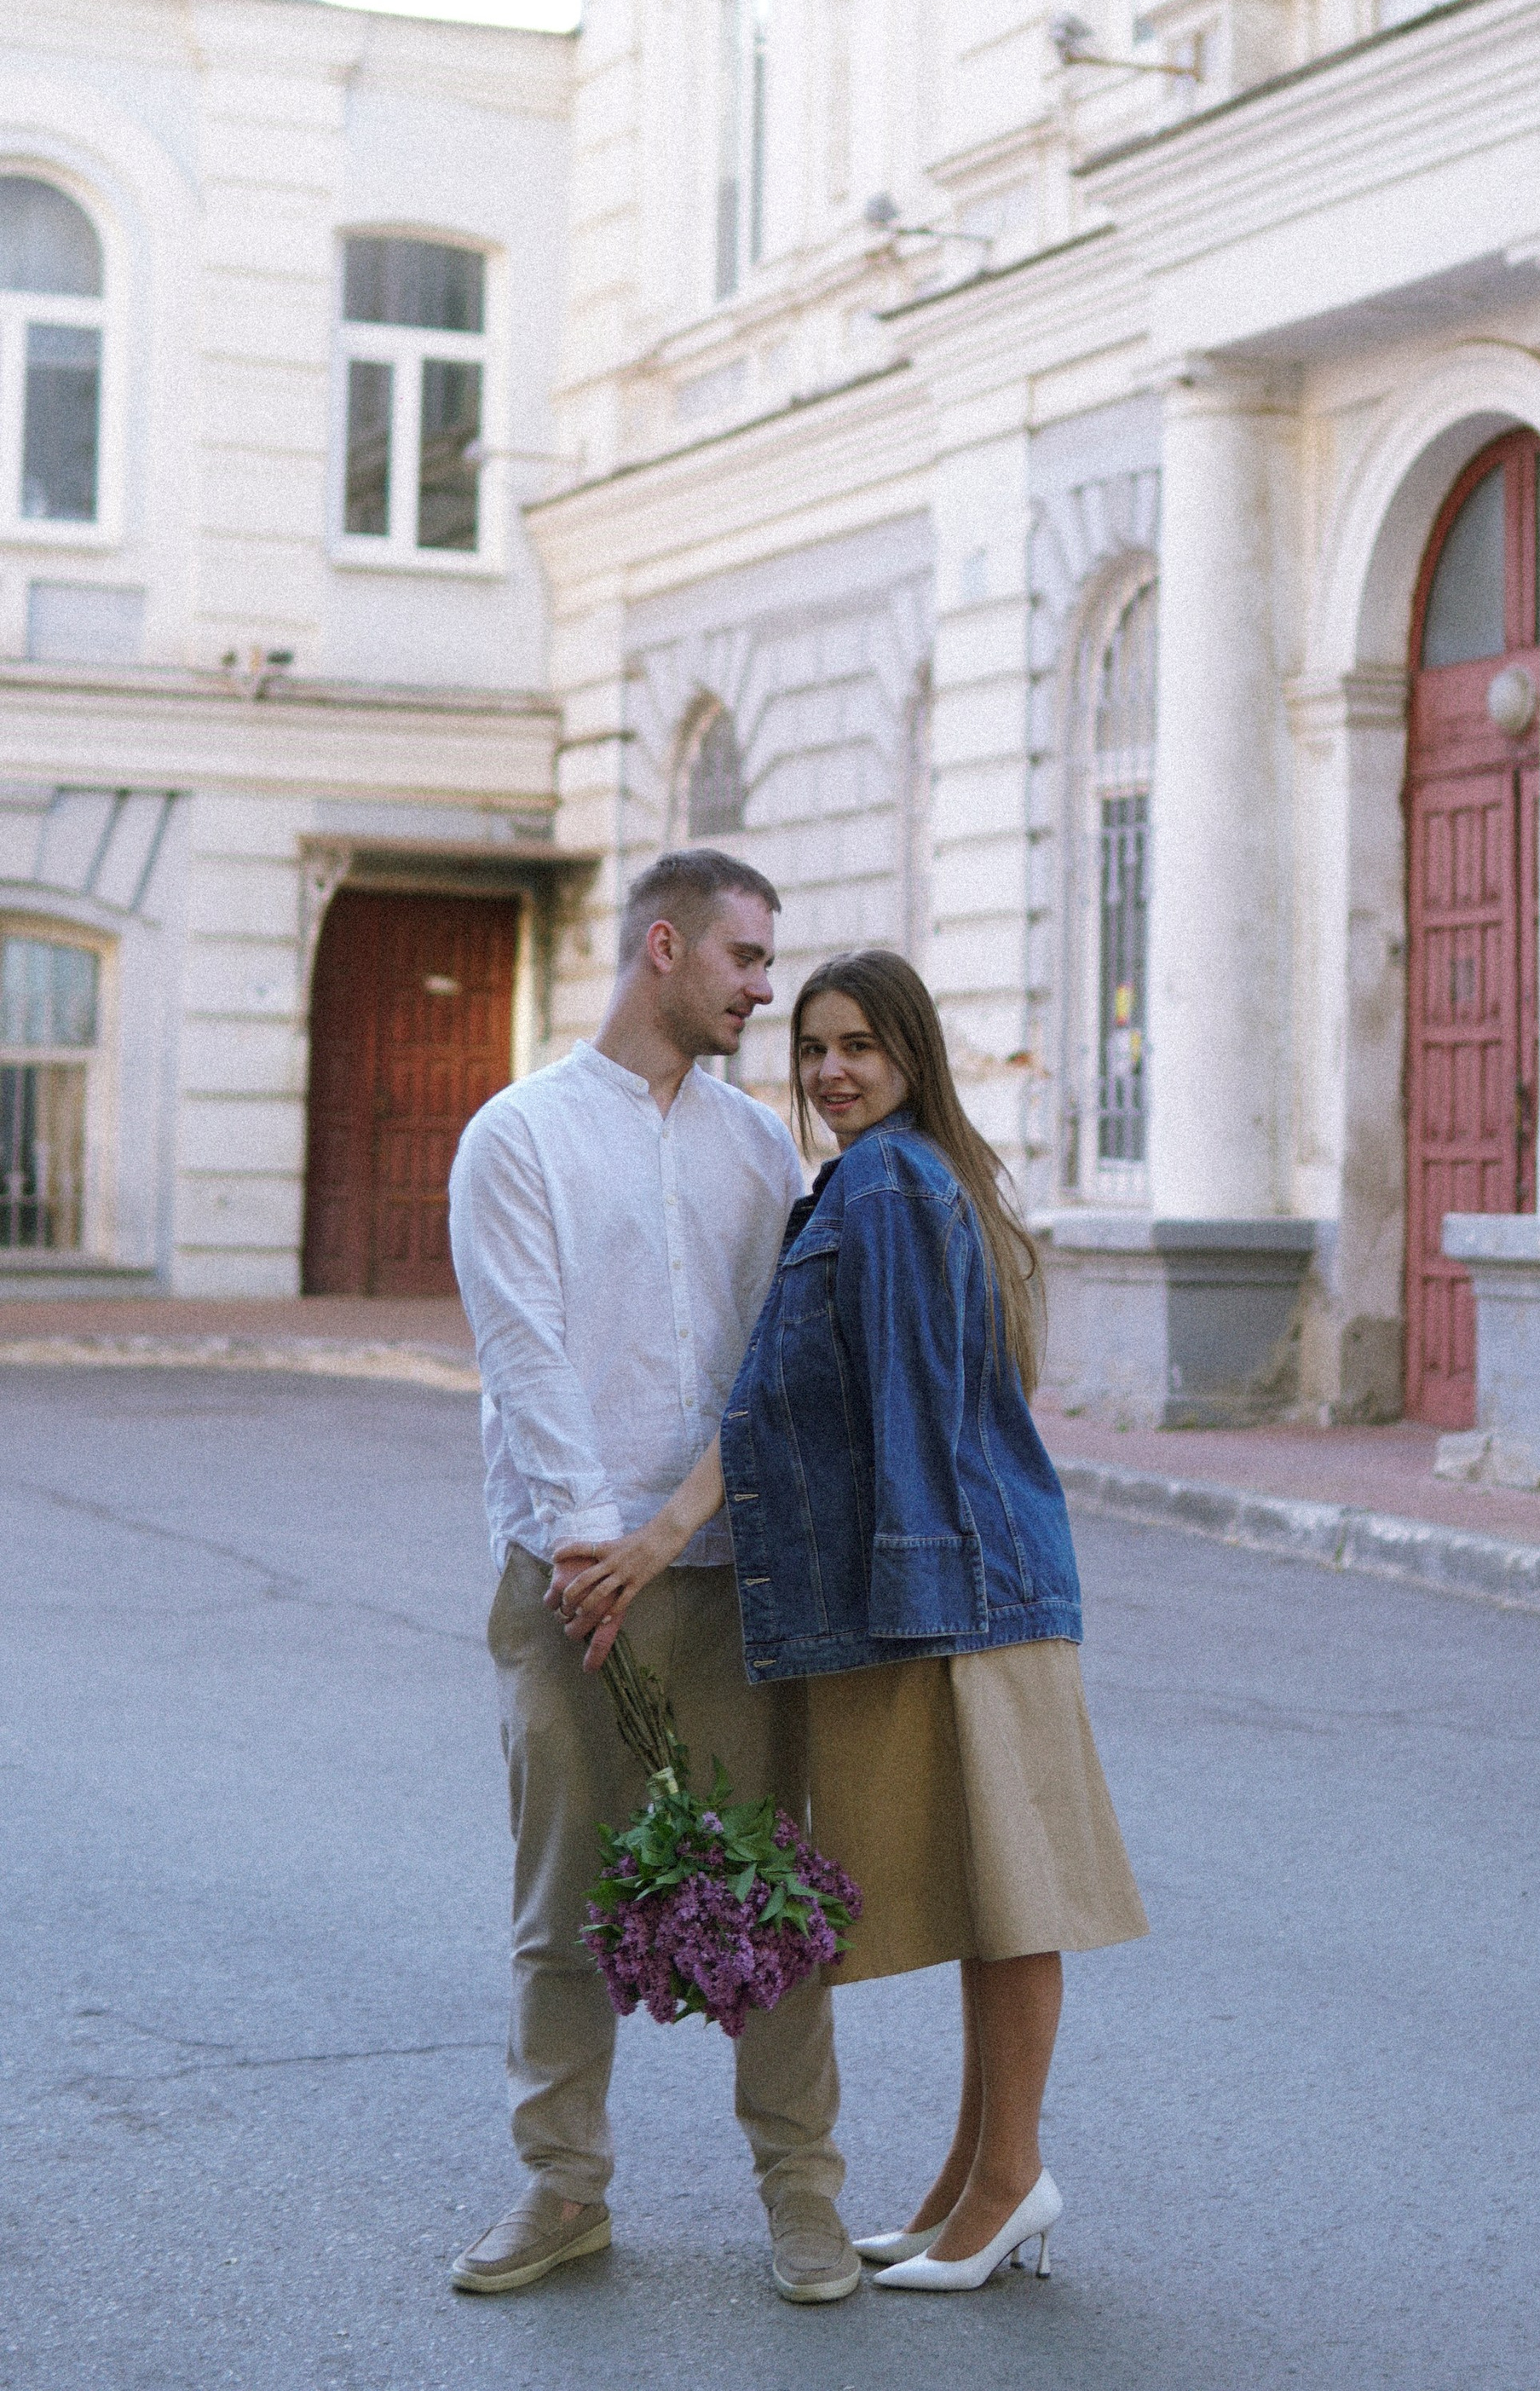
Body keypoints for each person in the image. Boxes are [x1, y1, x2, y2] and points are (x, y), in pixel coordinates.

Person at [552, 946, 1146, 2296]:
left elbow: (888, 1408)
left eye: (859, 1046)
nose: (830, 1071)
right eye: (813, 1047)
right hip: (981, 1578)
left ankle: (1006, 2178)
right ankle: (972, 2181)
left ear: (910, 1054)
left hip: (960, 1592)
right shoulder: (907, 1175)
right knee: (993, 1895)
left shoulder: (883, 1185)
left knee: (1012, 1901)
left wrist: (675, 1540)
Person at [443, 848, 858, 2308]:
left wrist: (691, 1538)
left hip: (735, 1580)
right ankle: (563, 2186)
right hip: (570, 1586)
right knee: (564, 1900)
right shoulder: (520, 1137)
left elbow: (779, 1365)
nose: (765, 991)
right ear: (665, 948)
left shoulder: (759, 1151)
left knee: (773, 1896)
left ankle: (803, 2195)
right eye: (748, 959)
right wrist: (587, 1550)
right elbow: (527, 1357)